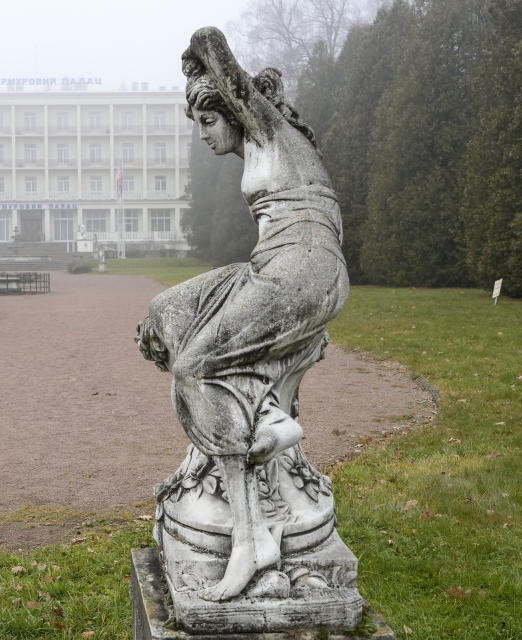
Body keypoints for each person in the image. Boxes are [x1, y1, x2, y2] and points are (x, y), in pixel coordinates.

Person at [136, 27, 348, 601]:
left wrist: (195, 58)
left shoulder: (266, 127)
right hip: (271, 265)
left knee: (195, 367)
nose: (203, 134)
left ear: (234, 108)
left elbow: (211, 42)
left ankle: (252, 534)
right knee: (164, 314)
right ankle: (259, 423)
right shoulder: (257, 145)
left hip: (302, 268)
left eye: (207, 120)